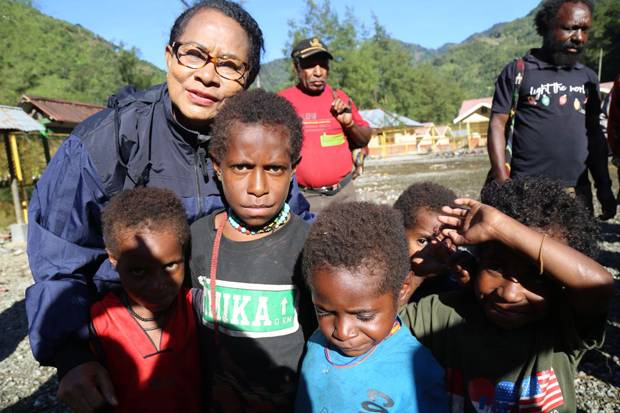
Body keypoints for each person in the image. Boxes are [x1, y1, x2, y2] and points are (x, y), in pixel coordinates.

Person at [25, 1, 311, 411]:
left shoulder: (259, 147)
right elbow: (58, 263)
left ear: (247, 81)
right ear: (168, 54)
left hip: (227, 346)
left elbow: (295, 228)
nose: (207, 75)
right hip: (132, 341)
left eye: (229, 65)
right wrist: (73, 357)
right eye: (194, 53)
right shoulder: (104, 144)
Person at [400, 177, 614, 412]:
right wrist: (422, 271)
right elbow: (379, 329)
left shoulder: (563, 327)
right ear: (477, 260)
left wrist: (498, 227)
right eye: (496, 268)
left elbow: (598, 283)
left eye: (536, 278)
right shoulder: (440, 313)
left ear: (560, 281)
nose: (510, 294)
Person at [189, 89, 315, 412]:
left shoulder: (310, 245)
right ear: (218, 166)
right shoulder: (197, 240)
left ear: (293, 168)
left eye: (274, 169)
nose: (257, 188)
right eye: (242, 167)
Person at [295, 201, 449, 413]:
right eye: (325, 312)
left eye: (363, 316)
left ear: (402, 289)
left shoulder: (418, 371)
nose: (342, 332)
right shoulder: (316, 343)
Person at [487, 0, 616, 220]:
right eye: (570, 28)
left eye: (584, 30)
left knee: (575, 254)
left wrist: (604, 186)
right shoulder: (519, 71)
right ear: (547, 24)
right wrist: (501, 181)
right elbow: (497, 125)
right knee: (524, 254)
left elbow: (594, 135)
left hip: (577, 193)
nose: (578, 37)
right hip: (526, 191)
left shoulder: (588, 78)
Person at [90, 187, 201, 412]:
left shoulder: (197, 307)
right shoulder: (100, 323)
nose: (158, 284)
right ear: (113, 260)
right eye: (139, 271)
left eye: (169, 266)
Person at [279, 38, 372, 212]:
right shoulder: (283, 101)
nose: (318, 72)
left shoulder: (340, 98)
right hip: (303, 199)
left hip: (344, 195)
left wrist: (350, 124)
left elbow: (364, 138)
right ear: (296, 67)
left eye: (323, 65)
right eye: (310, 65)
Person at [393, 182, 472, 300]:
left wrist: (469, 285)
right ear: (398, 234)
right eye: (423, 241)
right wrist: (418, 276)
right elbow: (392, 314)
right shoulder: (388, 278)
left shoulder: (453, 280)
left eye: (446, 240)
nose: (435, 250)